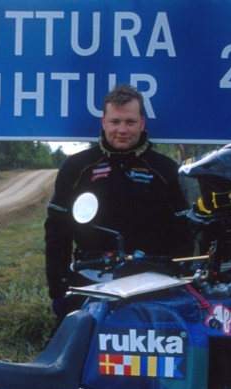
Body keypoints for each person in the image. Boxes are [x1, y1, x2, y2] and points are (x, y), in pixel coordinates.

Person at [44, 84, 193, 321]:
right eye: (115, 122)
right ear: (104, 123)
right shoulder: (77, 167)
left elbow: (185, 232)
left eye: (130, 122)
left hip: (153, 285)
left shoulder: (165, 169)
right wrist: (59, 290)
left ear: (142, 123)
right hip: (90, 282)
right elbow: (56, 233)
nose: (122, 129)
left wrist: (179, 279)